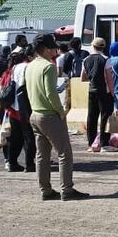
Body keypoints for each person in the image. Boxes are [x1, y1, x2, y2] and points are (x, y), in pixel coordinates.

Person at [26, 34, 89, 201]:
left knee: (42, 155)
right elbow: (51, 93)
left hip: (35, 114)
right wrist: (61, 111)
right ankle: (67, 190)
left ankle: (45, 190)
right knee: (64, 153)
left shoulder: (30, 66)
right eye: (53, 47)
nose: (56, 49)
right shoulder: (48, 67)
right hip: (49, 115)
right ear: (46, 49)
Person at [0, 47, 37, 172]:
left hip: (14, 107)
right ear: (30, 56)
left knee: (15, 138)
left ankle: (12, 163)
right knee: (29, 137)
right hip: (26, 107)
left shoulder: (15, 68)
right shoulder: (30, 67)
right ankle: (29, 164)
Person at [81, 38, 114, 151]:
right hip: (104, 91)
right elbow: (109, 78)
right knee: (105, 117)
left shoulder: (86, 59)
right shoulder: (106, 59)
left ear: (93, 46)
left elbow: (82, 77)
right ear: (103, 47)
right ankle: (104, 143)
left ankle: (91, 143)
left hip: (91, 91)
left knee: (92, 117)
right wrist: (113, 93)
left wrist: (92, 78)